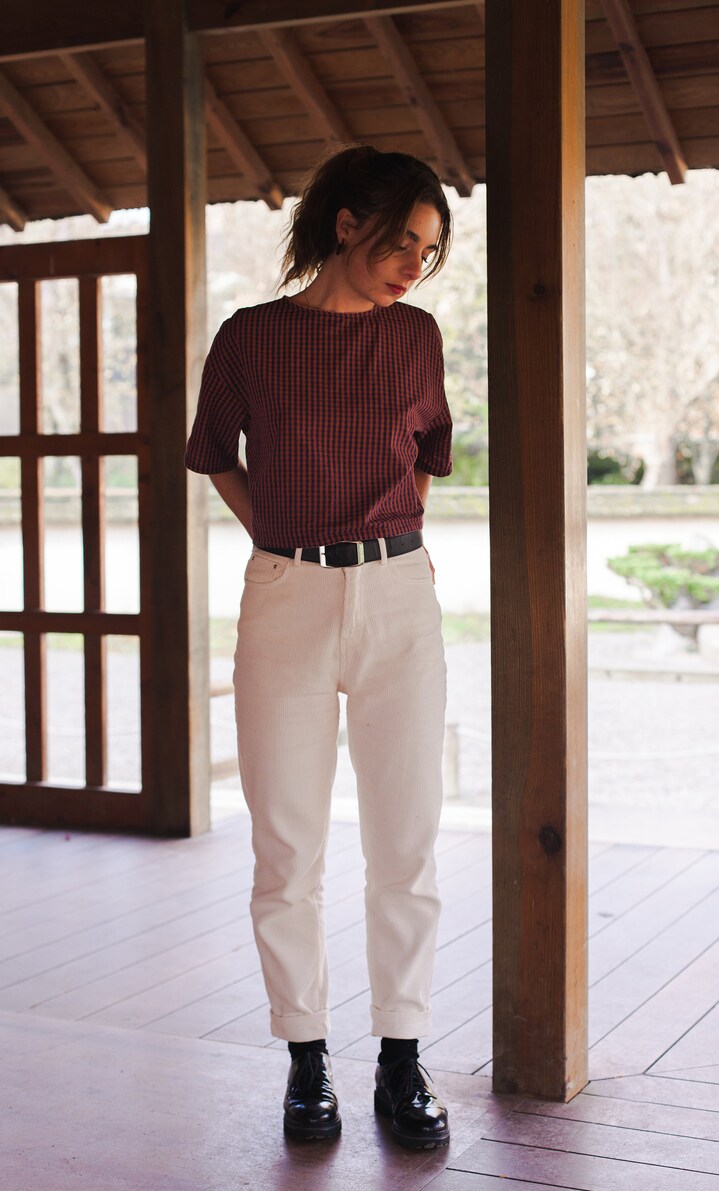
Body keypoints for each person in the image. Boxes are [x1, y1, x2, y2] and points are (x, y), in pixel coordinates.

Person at [185, 144, 454, 1150]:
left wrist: (390, 547)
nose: (411, 267)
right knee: (286, 845)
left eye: (426, 253)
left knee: (405, 841)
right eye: (402, 243)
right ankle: (305, 1063)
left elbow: (426, 456)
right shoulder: (251, 340)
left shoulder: (416, 339)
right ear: (347, 223)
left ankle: (400, 1058)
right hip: (285, 595)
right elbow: (213, 452)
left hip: (396, 595)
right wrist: (277, 542)